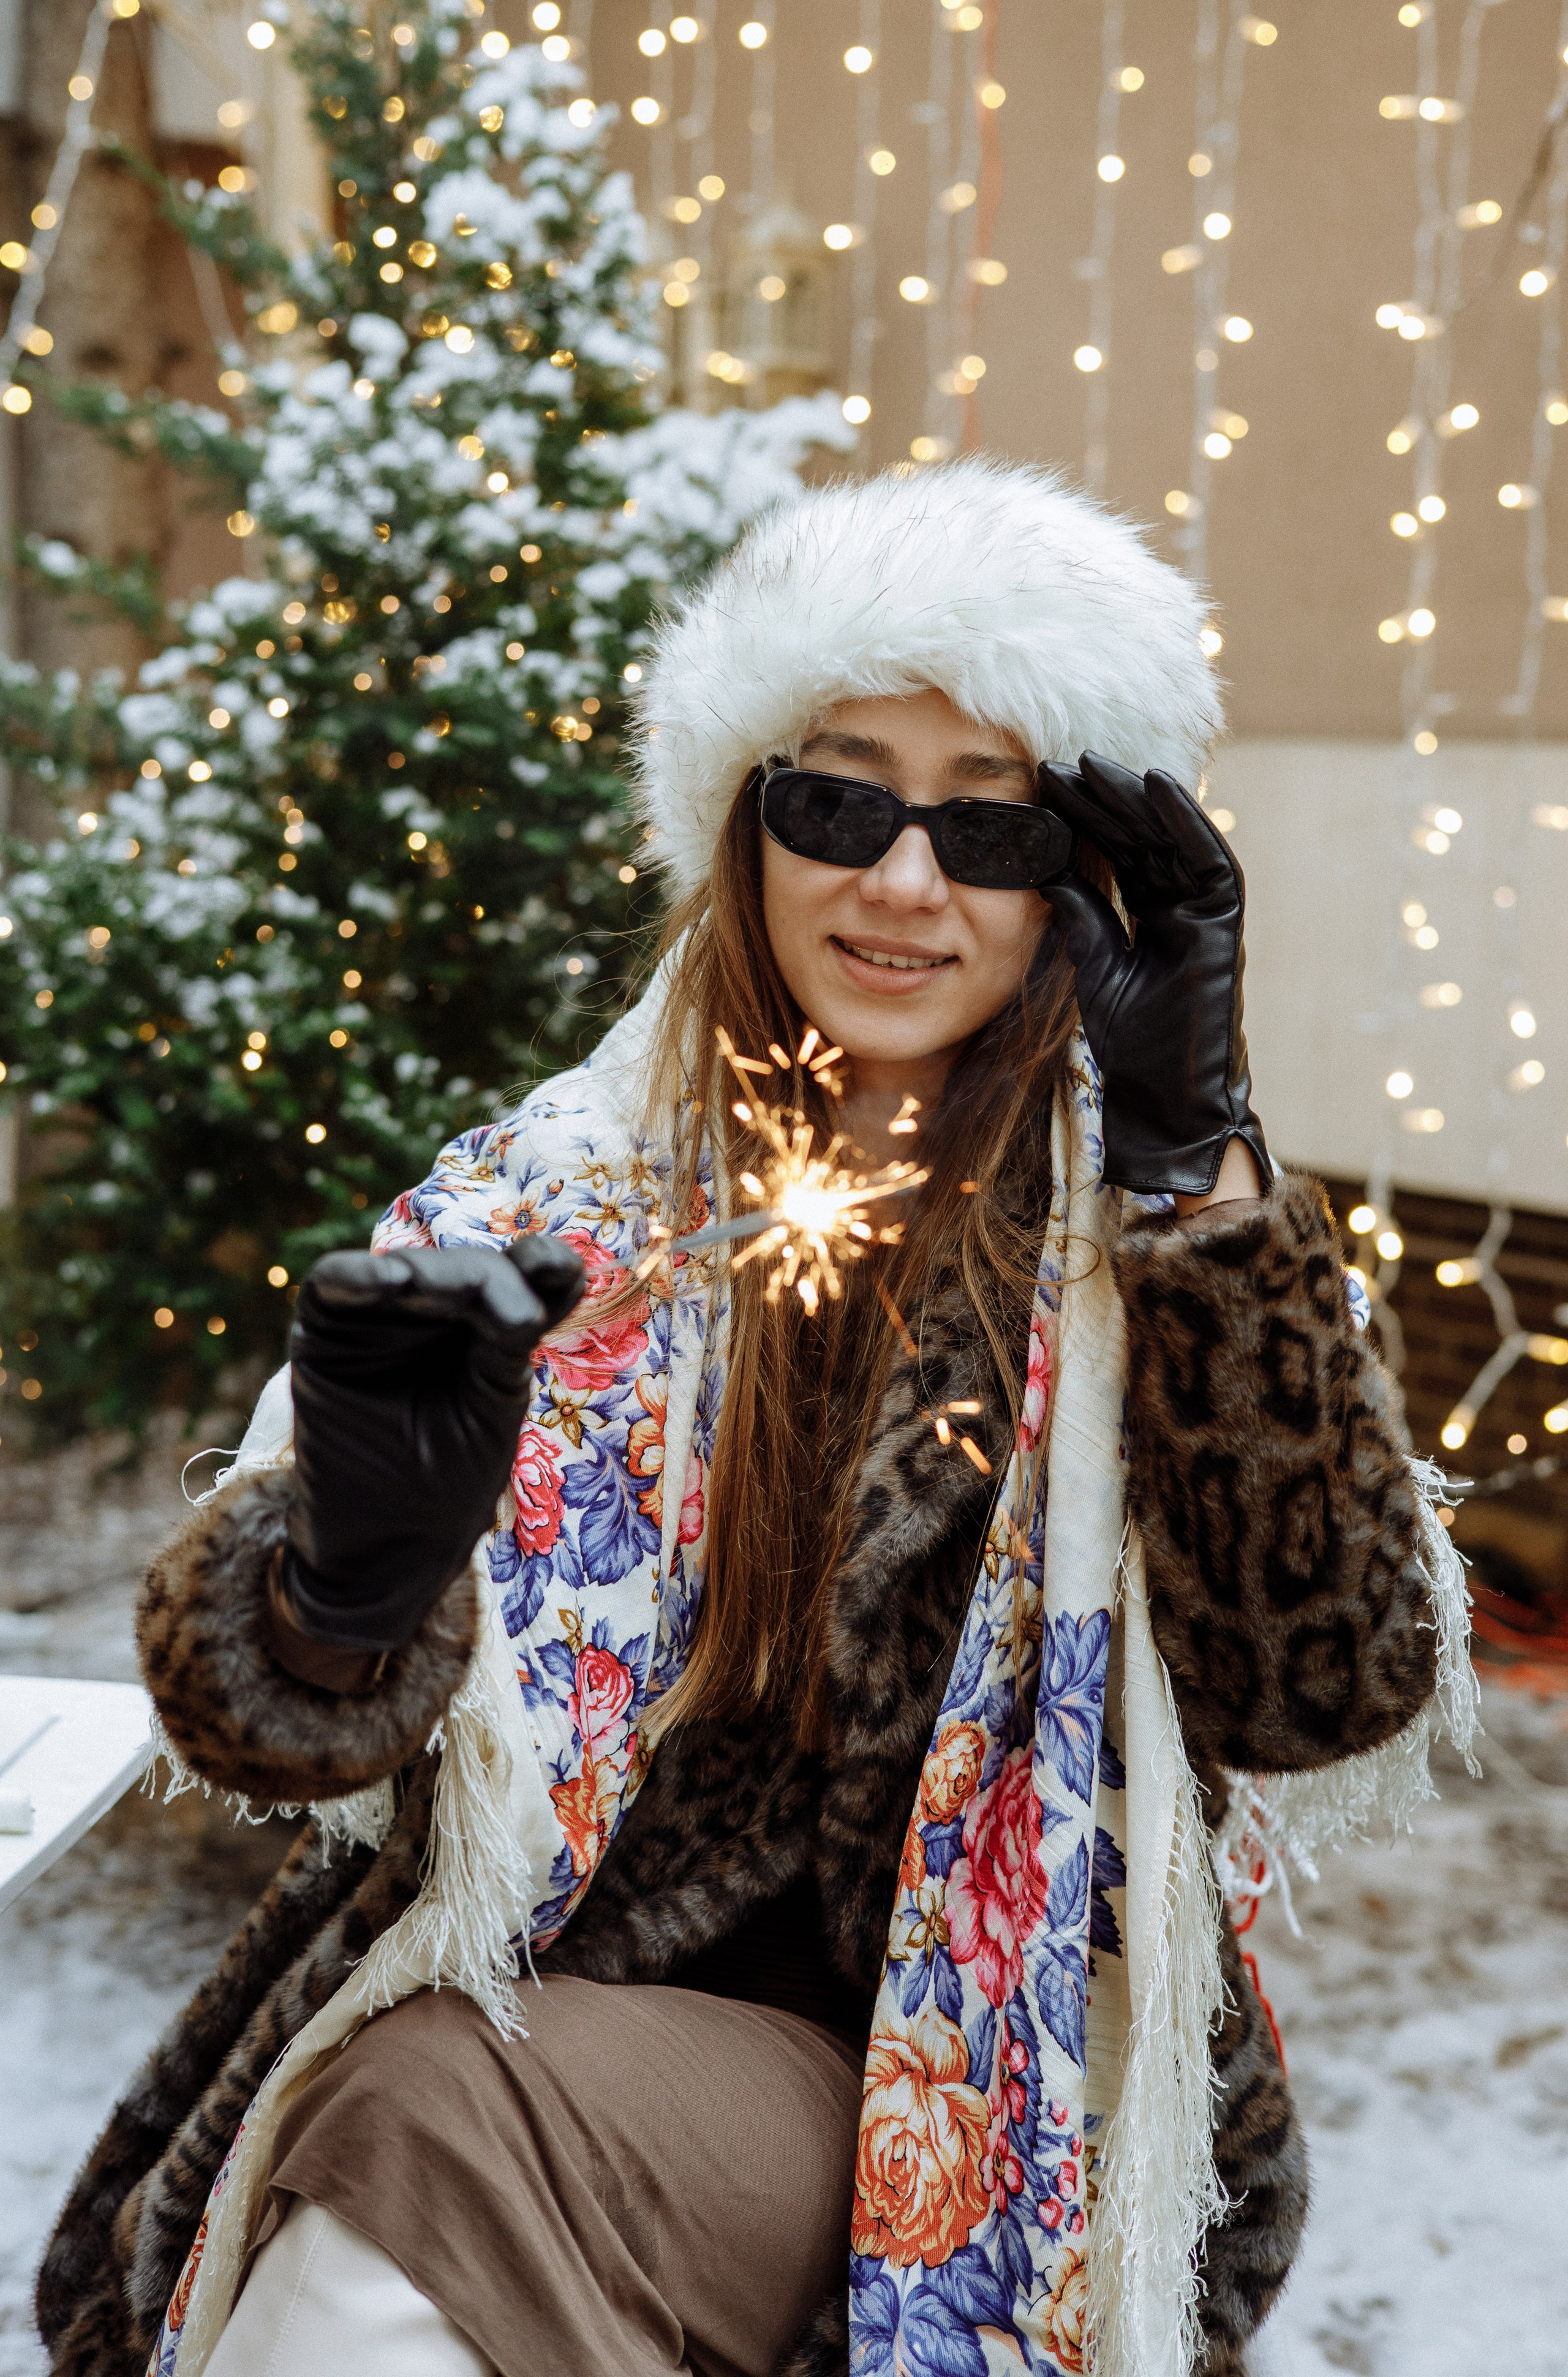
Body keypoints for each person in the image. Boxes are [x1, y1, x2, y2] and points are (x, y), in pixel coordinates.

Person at [39, 462, 1463, 2377]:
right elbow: (271, 1720)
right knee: (412, 2116)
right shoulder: (558, 1196)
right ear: (747, 827)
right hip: (521, 1989)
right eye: (839, 798)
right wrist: (347, 1580)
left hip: (960, 2061)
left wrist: (1197, 1176)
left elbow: (1329, 1678)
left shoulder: (1144, 1250)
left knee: (428, 2120)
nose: (900, 879)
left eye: (988, 828)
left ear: (1084, 879)